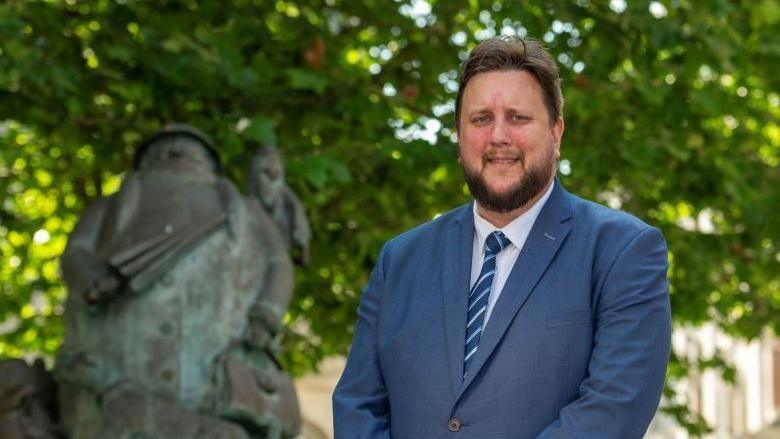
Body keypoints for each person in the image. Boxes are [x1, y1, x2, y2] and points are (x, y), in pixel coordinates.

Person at [333, 36, 671, 438]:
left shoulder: (622, 251)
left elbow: (612, 408)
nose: (498, 137)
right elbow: (358, 406)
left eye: (518, 117)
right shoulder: (400, 260)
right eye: (480, 119)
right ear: (459, 138)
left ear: (556, 133)